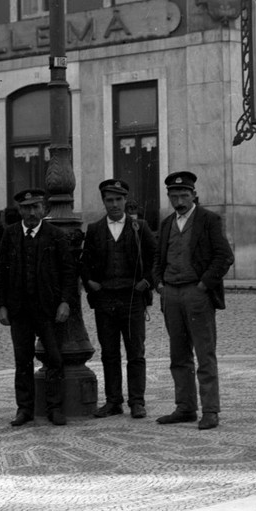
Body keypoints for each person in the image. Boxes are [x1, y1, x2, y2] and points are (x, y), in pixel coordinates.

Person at [152, 171, 234, 431]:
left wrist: (203, 285)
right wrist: (159, 284)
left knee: (204, 353)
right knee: (178, 354)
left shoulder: (208, 220)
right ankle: (185, 407)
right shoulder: (166, 224)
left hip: (196, 294)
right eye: (174, 195)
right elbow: (158, 258)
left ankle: (210, 410)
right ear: (168, 197)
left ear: (194, 195)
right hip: (171, 295)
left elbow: (224, 256)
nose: (179, 200)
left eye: (184, 195)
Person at [0, 188, 77, 427]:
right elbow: (0, 273)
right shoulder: (10, 235)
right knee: (22, 361)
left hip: (48, 309)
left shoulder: (55, 235)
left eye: (35, 207)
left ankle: (54, 408)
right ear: (19, 210)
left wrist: (64, 302)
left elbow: (68, 272)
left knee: (54, 358)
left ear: (43, 209)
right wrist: (1, 306)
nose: (31, 212)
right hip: (19, 310)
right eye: (26, 208)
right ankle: (24, 409)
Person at [82, 178, 157, 419]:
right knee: (109, 353)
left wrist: (148, 280)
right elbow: (84, 262)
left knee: (135, 352)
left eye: (118, 199)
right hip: (105, 300)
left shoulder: (140, 227)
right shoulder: (94, 229)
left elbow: (155, 258)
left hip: (133, 299)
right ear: (103, 201)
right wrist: (89, 281)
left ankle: (137, 401)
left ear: (125, 201)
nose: (114, 204)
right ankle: (113, 401)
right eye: (109, 200)